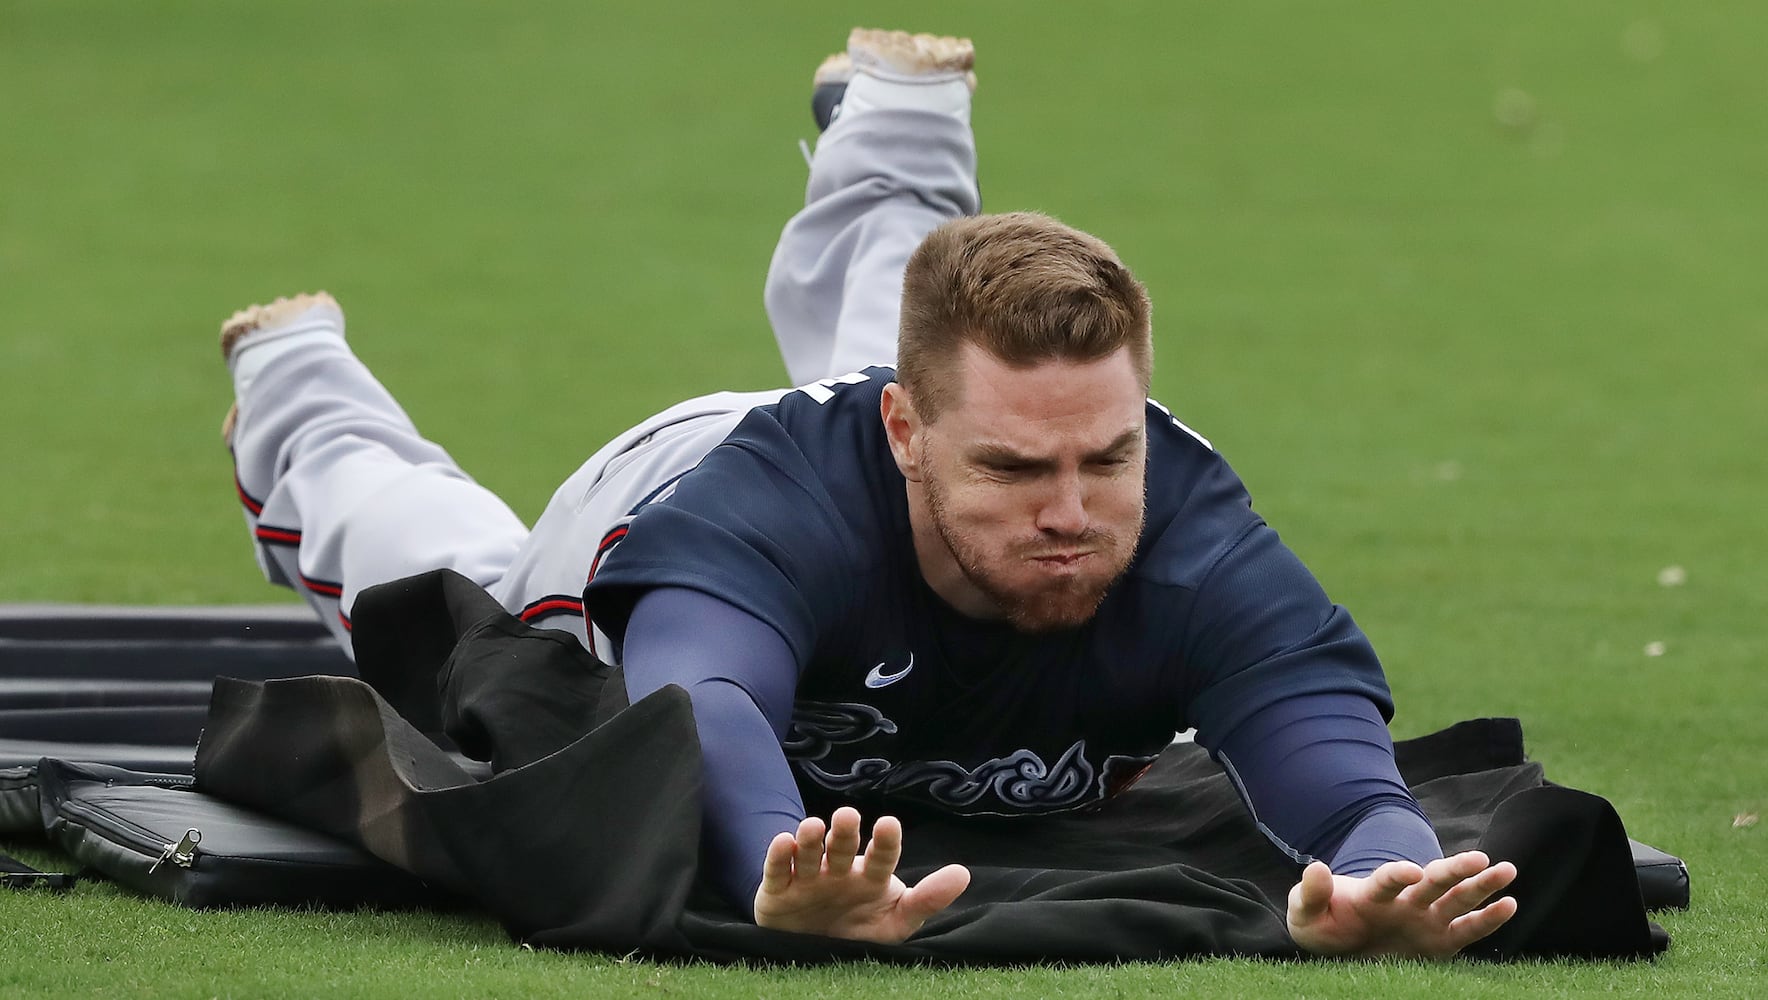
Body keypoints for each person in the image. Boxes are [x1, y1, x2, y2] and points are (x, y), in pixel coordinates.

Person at [217, 28, 1518, 957]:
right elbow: (704, 702)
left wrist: (1376, 875)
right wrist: (774, 869)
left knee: (956, 379)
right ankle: (299, 397)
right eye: (1018, 470)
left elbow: (1342, 780)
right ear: (904, 435)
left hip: (889, 456)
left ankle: (894, 121)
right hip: (669, 487)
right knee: (453, 610)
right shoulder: (759, 525)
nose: (1070, 507)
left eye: (1104, 457)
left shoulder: (1186, 534)